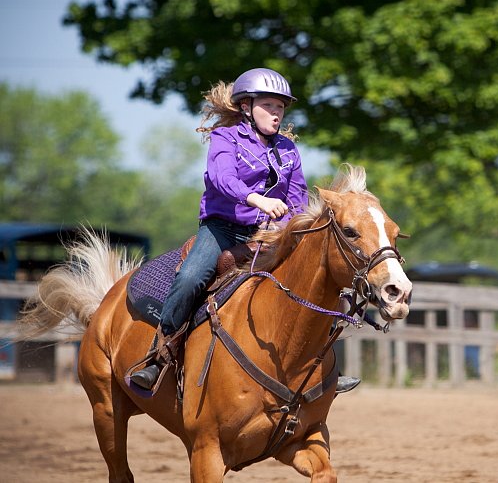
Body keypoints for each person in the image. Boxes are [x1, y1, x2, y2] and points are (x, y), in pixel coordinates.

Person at [129, 67, 360, 394]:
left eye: (281, 108)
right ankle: (160, 355)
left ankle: (322, 369)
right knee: (191, 276)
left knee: (315, 276)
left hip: (267, 235)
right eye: (269, 106)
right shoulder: (226, 138)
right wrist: (258, 201)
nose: (277, 114)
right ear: (246, 107)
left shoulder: (289, 150)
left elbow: (295, 200)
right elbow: (222, 179)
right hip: (221, 229)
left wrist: (282, 226)